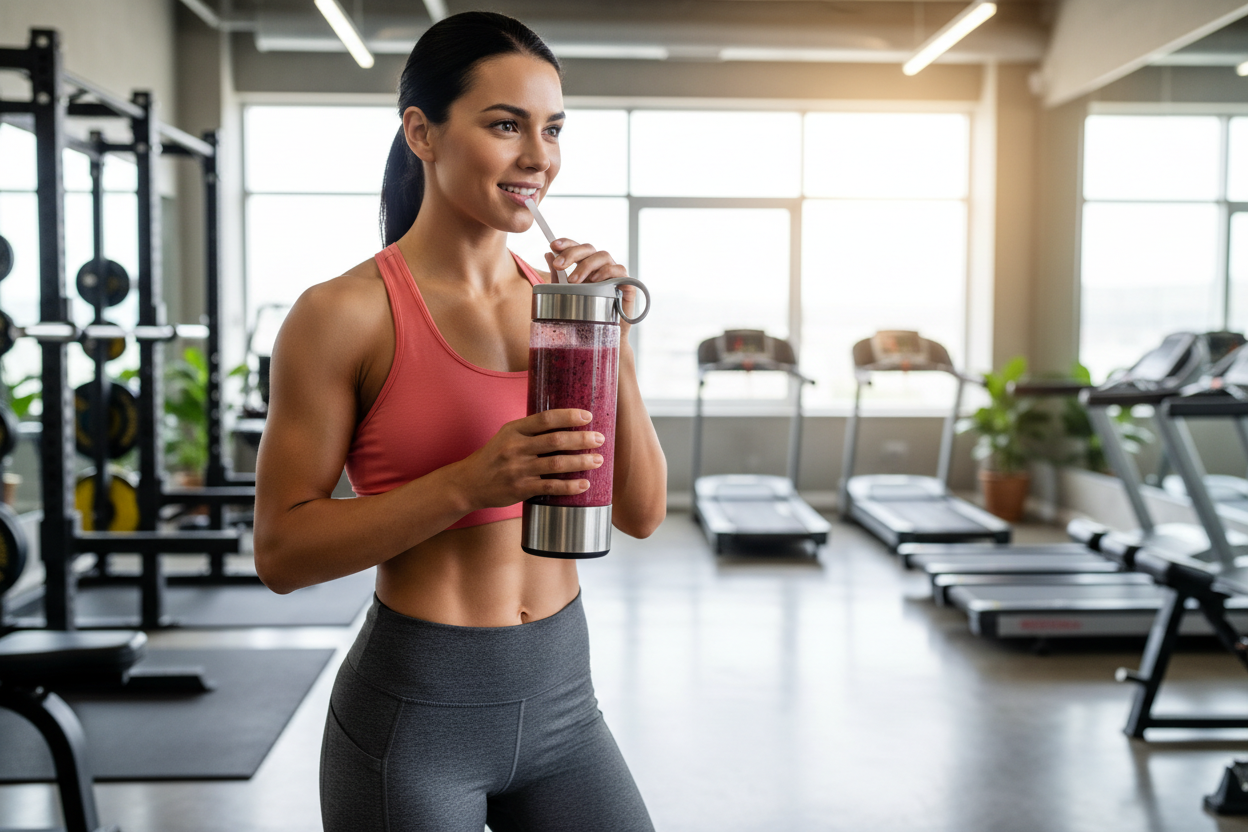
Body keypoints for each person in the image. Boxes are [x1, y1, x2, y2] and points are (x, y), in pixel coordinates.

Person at [252, 10, 666, 832]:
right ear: (423, 133)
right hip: (416, 720)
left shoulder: (564, 311)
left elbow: (642, 512)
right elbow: (281, 553)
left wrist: (607, 335)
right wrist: (472, 483)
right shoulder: (342, 314)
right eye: (505, 125)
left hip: (563, 699)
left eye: (552, 129)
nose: (538, 157)